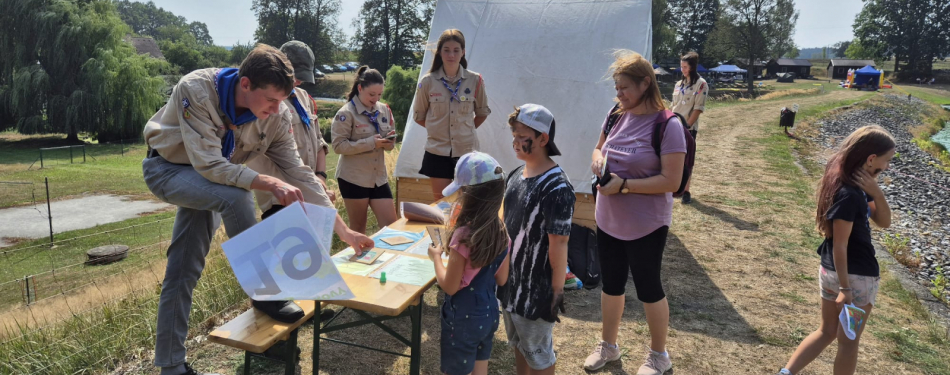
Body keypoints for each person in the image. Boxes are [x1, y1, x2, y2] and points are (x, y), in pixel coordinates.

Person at [142, 44, 374, 375]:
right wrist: (267, 182)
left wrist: (344, 230)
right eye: (272, 100)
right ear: (245, 83)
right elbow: (209, 164)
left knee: (183, 267)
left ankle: (171, 366)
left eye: (283, 100)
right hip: (168, 170)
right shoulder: (196, 90)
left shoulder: (276, 115)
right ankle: (264, 291)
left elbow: (299, 175)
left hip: (214, 181)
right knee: (236, 198)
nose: (279, 108)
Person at [584, 50, 686, 375]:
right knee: (611, 285)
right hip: (608, 218)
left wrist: (624, 186)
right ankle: (608, 346)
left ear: (645, 84)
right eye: (616, 88)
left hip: (647, 224)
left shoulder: (668, 125)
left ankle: (659, 356)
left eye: (624, 87)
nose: (619, 94)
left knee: (648, 287)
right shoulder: (615, 113)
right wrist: (597, 159)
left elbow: (671, 180)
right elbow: (598, 146)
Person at [777, 125, 894, 375]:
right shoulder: (851, 194)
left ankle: (786, 373)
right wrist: (846, 290)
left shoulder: (844, 176)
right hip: (855, 281)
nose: (888, 167)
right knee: (849, 343)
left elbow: (883, 221)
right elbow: (841, 244)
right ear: (871, 158)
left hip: (830, 272)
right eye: (887, 161)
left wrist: (877, 193)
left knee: (826, 331)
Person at [498, 104, 574, 375]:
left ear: (543, 139)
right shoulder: (515, 175)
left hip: (536, 291)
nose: (515, 142)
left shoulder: (557, 187)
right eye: (514, 135)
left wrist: (556, 291)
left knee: (539, 354)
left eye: (522, 136)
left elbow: (559, 243)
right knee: (519, 344)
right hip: (511, 287)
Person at [427, 151, 511, 375]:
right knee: (480, 366)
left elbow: (450, 286)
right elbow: (502, 278)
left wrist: (436, 258)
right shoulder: (502, 231)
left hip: (463, 319)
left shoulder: (463, 236)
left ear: (468, 194)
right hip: (489, 313)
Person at [248, 40, 335, 222]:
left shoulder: (304, 98)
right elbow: (264, 155)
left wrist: (320, 178)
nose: (298, 81)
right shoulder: (266, 103)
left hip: (310, 193)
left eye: (302, 77)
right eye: (295, 75)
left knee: (315, 249)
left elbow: (318, 140)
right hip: (280, 200)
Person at [412, 29, 490, 201]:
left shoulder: (475, 80)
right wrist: (438, 128)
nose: (451, 55)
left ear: (463, 52)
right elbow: (419, 116)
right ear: (439, 52)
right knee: (442, 206)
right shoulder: (427, 82)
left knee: (468, 205)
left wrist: (466, 129)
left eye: (456, 50)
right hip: (437, 152)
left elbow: (482, 112)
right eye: (446, 50)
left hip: (467, 152)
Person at [330, 66, 398, 233]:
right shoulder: (345, 113)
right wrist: (370, 143)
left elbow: (390, 138)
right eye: (371, 94)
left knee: (391, 227)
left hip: (378, 178)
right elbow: (338, 146)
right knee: (358, 228)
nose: (376, 99)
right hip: (353, 178)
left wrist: (389, 143)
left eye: (379, 94)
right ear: (360, 88)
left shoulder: (384, 110)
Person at [671, 51, 706, 204]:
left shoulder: (701, 84)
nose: (683, 70)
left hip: (687, 128)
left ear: (692, 67)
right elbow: (673, 105)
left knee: (687, 160)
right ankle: (673, 187)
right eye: (681, 67)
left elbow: (698, 108)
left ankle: (686, 190)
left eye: (685, 67)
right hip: (673, 126)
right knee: (671, 158)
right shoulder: (679, 84)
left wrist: (687, 125)